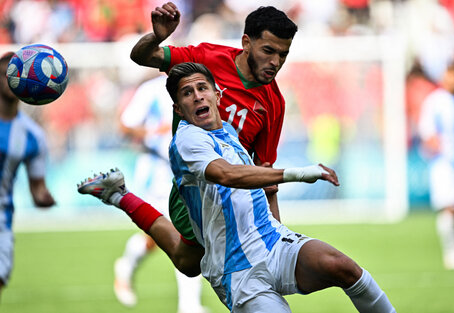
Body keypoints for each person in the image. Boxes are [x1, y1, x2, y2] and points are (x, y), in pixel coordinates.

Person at [77, 62, 396, 312]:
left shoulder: (229, 132)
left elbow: (257, 182)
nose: (197, 95)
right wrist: (298, 173)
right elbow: (227, 175)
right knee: (185, 257)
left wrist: (276, 225)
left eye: (203, 88)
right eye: (187, 93)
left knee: (344, 268)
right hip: (237, 269)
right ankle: (119, 194)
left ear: (218, 96)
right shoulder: (188, 139)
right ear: (178, 109)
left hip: (272, 245)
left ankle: (118, 193)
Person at [130, 2, 296, 243]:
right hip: (192, 186)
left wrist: (278, 236)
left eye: (283, 54)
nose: (275, 62)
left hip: (233, 194)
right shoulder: (206, 58)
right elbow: (141, 56)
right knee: (189, 262)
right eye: (268, 51)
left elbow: (265, 171)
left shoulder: (274, 103)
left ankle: (121, 197)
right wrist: (157, 37)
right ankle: (123, 198)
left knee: (197, 266)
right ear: (246, 43)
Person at [115, 74, 206, 313]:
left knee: (164, 238)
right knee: (185, 234)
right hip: (157, 173)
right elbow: (125, 125)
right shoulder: (150, 90)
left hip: (189, 173)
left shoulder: (195, 89)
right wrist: (156, 131)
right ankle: (189, 306)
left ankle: (126, 265)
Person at [0, 51, 55, 300]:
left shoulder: (33, 135)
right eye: (6, 75)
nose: (13, 81)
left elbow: (38, 191)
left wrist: (47, 198)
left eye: (19, 76)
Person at [418, 60, 454, 270]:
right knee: (447, 207)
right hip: (443, 163)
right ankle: (451, 250)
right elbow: (427, 132)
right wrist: (437, 146)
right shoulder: (435, 101)